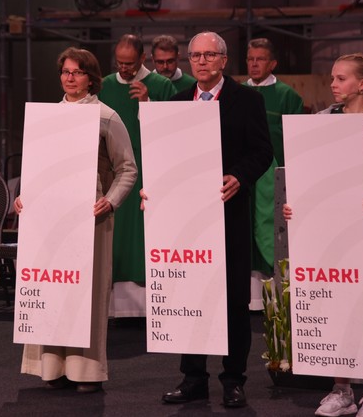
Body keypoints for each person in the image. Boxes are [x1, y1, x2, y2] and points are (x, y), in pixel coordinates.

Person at [144, 31, 272, 408]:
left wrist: (239, 175)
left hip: (229, 212)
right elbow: (165, 155)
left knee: (232, 299)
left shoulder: (248, 100)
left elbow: (262, 151)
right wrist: (153, 190)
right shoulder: (178, 100)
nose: (200, 61)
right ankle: (193, 378)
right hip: (185, 217)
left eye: (208, 55)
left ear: (222, 60)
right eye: (194, 56)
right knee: (190, 294)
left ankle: (233, 379)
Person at [283, 53, 363, 417]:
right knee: (335, 309)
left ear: (362, 83)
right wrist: (296, 206)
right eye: (333, 79)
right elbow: (307, 177)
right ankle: (341, 390)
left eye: (341, 79)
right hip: (328, 234)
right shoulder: (322, 122)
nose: (333, 85)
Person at [18, 47, 137, 393]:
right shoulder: (47, 117)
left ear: (91, 77)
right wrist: (25, 197)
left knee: (88, 293)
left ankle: (87, 371)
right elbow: (38, 169)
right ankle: (51, 367)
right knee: (52, 288)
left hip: (90, 219)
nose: (70, 78)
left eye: (77, 72)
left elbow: (127, 169)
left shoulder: (106, 115)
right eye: (65, 72)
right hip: (50, 221)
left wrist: (110, 202)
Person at [98, 33, 175, 317]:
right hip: (112, 172)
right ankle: (114, 308)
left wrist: (148, 102)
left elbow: (173, 130)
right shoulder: (105, 85)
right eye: (119, 62)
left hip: (148, 167)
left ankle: (148, 308)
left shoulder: (161, 85)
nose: (124, 68)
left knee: (142, 235)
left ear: (143, 59)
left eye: (129, 63)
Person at [243, 38, 304, 308]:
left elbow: (295, 139)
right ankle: (248, 297)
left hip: (274, 176)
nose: (254, 64)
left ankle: (276, 296)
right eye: (250, 59)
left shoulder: (288, 96)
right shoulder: (237, 93)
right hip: (242, 175)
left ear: (272, 63)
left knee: (269, 230)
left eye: (260, 59)